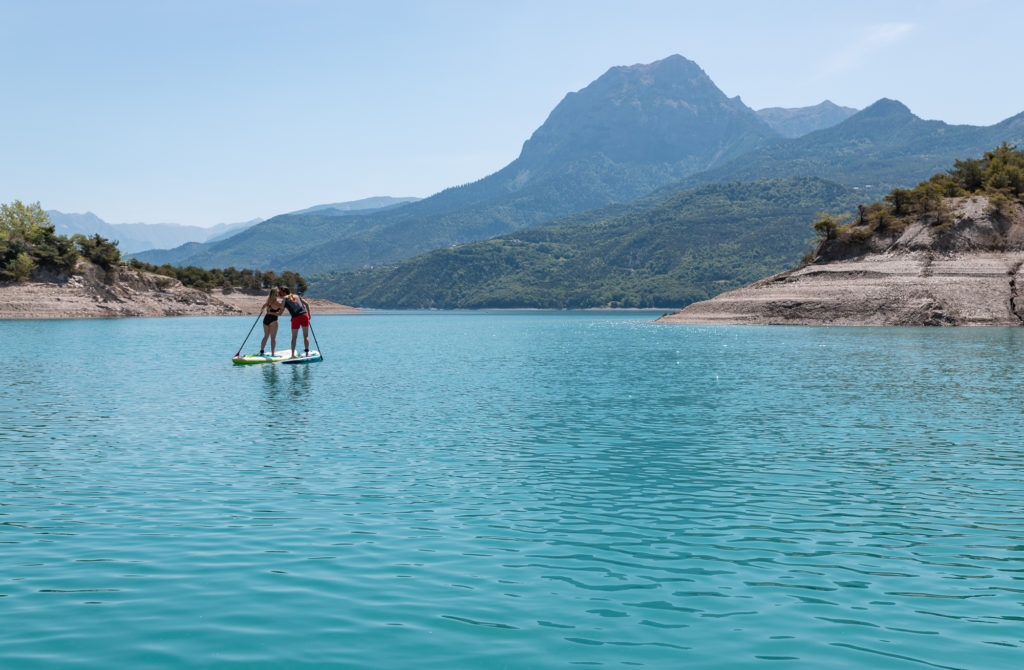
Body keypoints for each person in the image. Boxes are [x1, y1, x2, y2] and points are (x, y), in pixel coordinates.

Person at [280, 285, 312, 357]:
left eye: (281, 292)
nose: (280, 294)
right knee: (306, 336)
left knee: (294, 337)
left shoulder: (284, 299)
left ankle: (292, 355)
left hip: (295, 318)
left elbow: (281, 311)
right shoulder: (296, 296)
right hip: (304, 316)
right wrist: (309, 315)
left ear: (284, 292)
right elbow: (307, 304)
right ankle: (307, 353)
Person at [259, 287, 284, 356]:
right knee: (273, 338)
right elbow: (282, 306)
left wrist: (262, 310)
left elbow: (263, 306)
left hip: (266, 320)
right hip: (273, 320)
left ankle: (261, 351)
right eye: (278, 292)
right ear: (276, 294)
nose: (279, 293)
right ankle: (273, 353)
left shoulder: (268, 301)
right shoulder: (276, 302)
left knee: (266, 336)